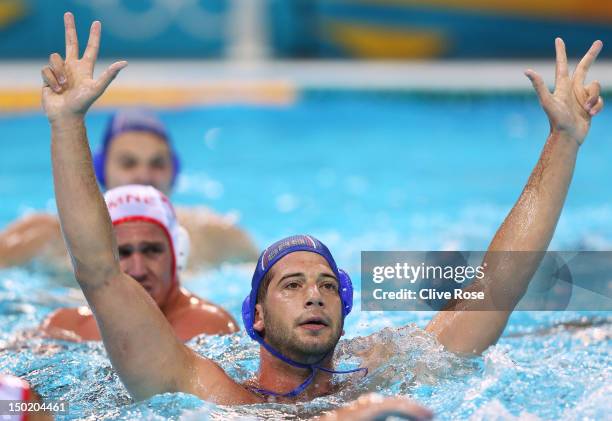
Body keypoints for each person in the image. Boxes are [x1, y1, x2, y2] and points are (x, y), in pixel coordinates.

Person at [42, 10, 603, 415]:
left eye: (328, 286)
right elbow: (100, 274)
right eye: (291, 285)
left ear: (345, 306)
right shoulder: (211, 393)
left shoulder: (386, 370)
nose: (314, 295)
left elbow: (497, 285)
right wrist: (67, 123)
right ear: (255, 316)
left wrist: (564, 141)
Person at [0, 104, 258, 274]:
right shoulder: (49, 235)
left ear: (173, 172)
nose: (144, 175)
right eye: (128, 163)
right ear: (101, 171)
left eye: (157, 163)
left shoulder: (216, 235)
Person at [40, 184, 239, 341]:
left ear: (178, 253)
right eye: (122, 253)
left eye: (152, 250)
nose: (138, 270)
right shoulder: (65, 328)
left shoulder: (211, 328)